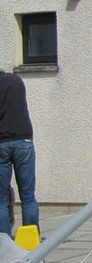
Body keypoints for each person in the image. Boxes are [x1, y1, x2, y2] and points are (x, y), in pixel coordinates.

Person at [1, 71, 40, 238]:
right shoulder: (16, 81)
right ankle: (32, 242)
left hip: (1, 142)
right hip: (23, 140)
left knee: (1, 199)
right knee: (28, 197)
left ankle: (4, 245)